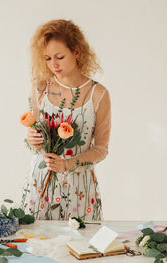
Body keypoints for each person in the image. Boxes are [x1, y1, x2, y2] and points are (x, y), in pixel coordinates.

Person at [21, 19, 111, 221]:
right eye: (47, 58)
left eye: (60, 57)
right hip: (40, 185)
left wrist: (67, 164)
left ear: (77, 52)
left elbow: (101, 149)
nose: (54, 65)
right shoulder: (39, 89)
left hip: (79, 188)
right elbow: (31, 143)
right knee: (35, 247)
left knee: (80, 248)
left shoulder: (98, 94)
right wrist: (31, 139)